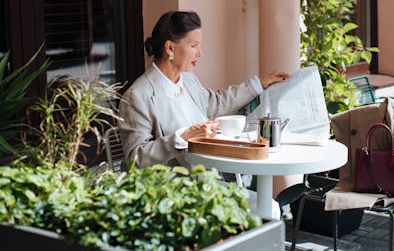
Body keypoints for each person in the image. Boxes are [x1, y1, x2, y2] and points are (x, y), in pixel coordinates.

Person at [118, 10, 290, 169]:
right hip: (177, 193)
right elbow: (135, 159)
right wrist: (181, 138)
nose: (201, 53)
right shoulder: (137, 96)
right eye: (194, 45)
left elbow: (216, 103)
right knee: (265, 203)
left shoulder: (188, 80)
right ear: (170, 48)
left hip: (212, 179)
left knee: (268, 202)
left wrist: (258, 84)